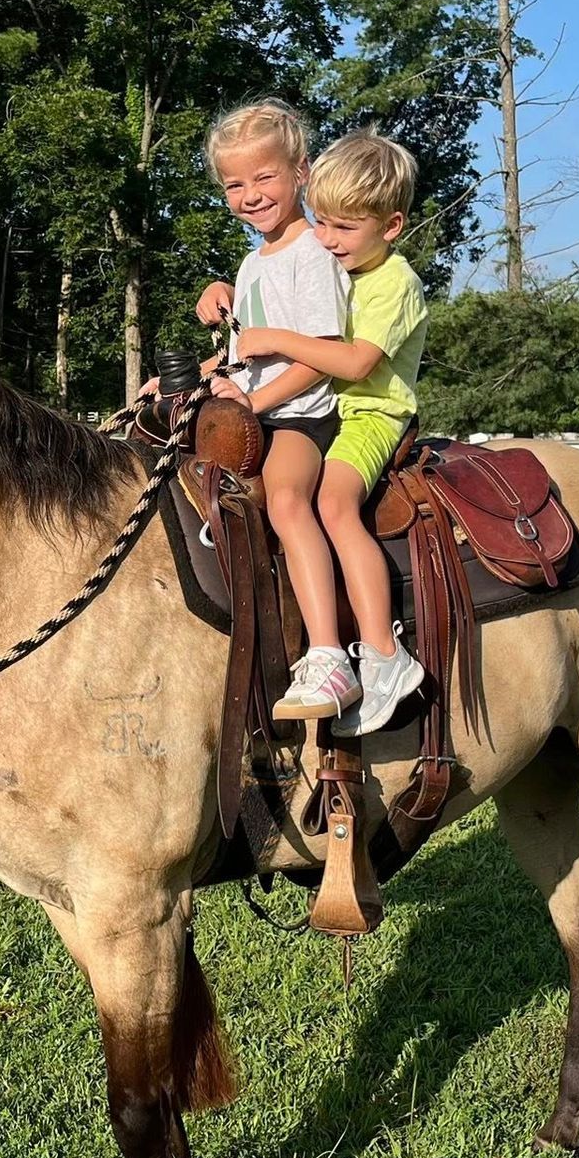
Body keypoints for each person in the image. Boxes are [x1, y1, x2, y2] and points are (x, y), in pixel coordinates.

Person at [209, 128, 429, 734]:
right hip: (329, 407)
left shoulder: (394, 282)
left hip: (367, 411)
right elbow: (259, 332)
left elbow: (354, 361)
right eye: (323, 225)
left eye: (342, 228)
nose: (328, 241)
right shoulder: (336, 266)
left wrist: (270, 350)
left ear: (391, 226)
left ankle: (380, 653)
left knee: (329, 504)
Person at [174, 100, 359, 719]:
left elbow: (323, 356)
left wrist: (255, 401)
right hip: (256, 411)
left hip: (306, 414)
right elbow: (241, 352)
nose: (250, 195)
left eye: (264, 178)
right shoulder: (254, 262)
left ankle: (331, 657)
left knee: (285, 501)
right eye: (234, 184)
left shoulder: (314, 255)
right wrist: (181, 381)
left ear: (301, 172)